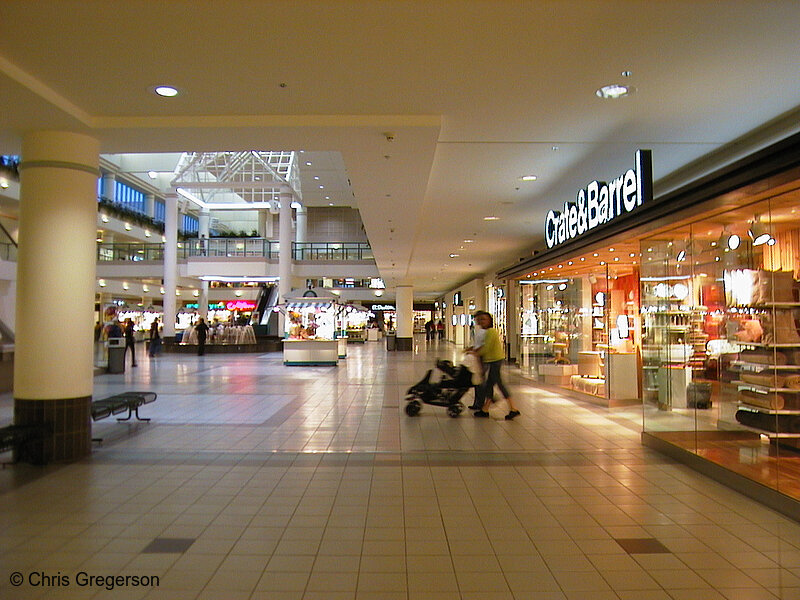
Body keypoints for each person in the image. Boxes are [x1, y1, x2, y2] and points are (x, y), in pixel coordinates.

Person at [471, 312, 520, 420]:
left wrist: (476, 353)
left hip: (495, 361)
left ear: (489, 321)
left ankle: (513, 408)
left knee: (499, 384)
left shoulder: (491, 332)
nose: (481, 321)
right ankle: (485, 409)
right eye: (479, 319)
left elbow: (487, 348)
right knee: (489, 385)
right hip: (492, 361)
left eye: (484, 319)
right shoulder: (488, 332)